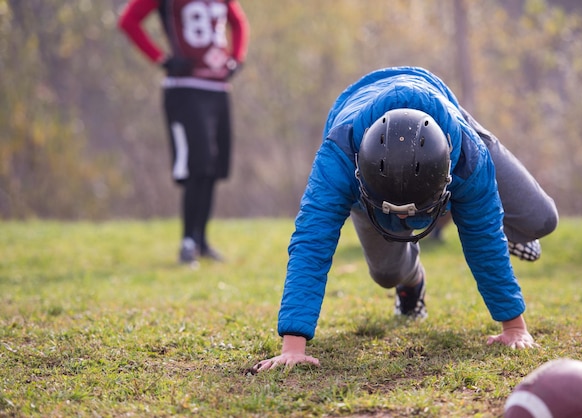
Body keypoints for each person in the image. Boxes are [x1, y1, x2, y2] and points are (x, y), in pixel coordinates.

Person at [253, 66, 558, 372]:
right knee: (387, 274)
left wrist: (514, 327)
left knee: (541, 219)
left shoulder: (468, 158)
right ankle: (413, 279)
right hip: (362, 152)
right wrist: (293, 345)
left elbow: (484, 237)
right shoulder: (338, 159)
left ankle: (502, 223)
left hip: (445, 115)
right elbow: (311, 244)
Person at [118, 0, 249, 264]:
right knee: (197, 165)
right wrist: (161, 59)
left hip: (218, 90)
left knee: (214, 167)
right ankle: (187, 241)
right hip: (185, 89)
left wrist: (237, 57)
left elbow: (239, 22)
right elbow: (128, 21)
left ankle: (201, 240)